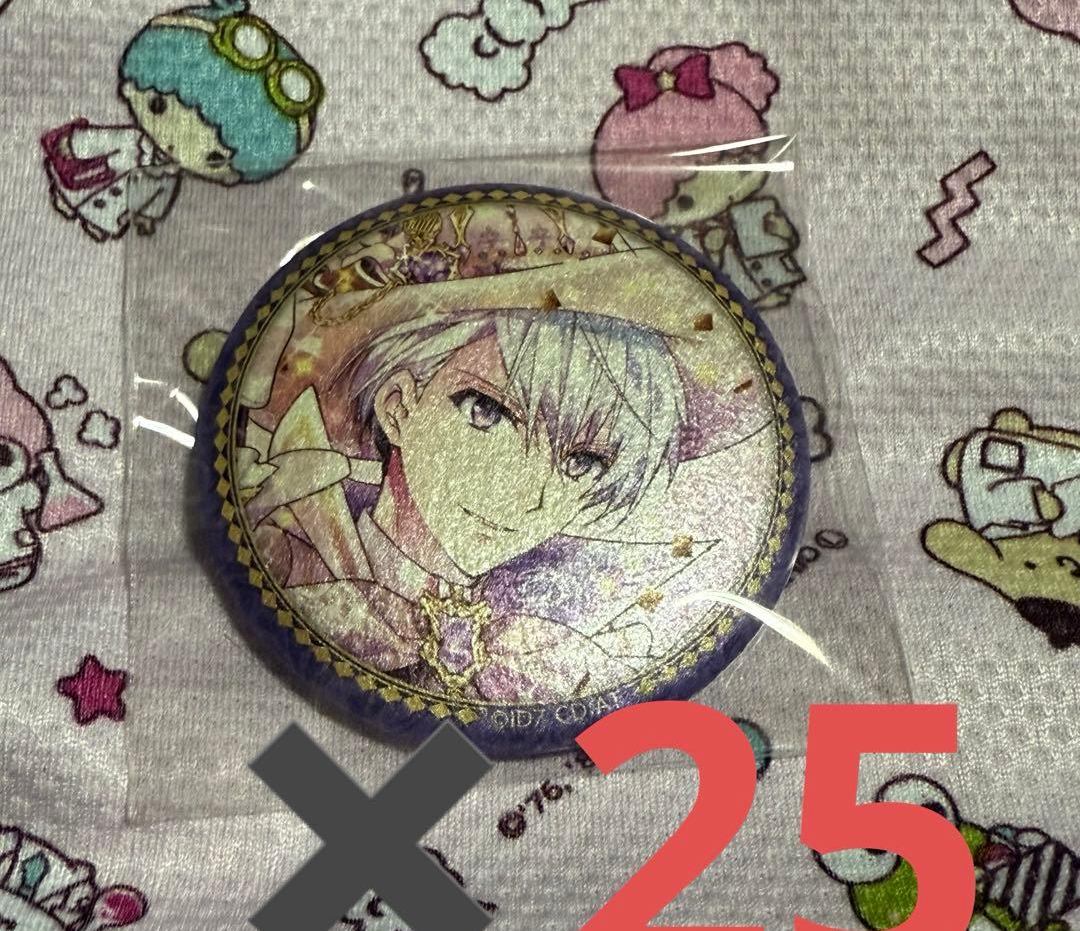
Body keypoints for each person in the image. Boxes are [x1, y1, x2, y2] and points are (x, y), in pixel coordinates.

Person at [240, 305, 689, 703]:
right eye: (486, 412)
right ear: (398, 407)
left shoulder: (547, 657)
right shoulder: (287, 562)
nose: (527, 497)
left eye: (581, 461)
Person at [42, 0, 323, 241]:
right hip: (96, 177)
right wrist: (75, 145)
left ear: (230, 176)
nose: (175, 144)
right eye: (158, 106)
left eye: (214, 156)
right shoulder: (133, 142)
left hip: (120, 199)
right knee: (77, 194)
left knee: (108, 212)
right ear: (131, 87)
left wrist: (148, 216)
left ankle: (99, 223)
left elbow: (159, 196)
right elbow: (99, 141)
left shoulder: (166, 173)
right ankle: (68, 204)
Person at [592, 43, 804, 308]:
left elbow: (785, 240)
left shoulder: (754, 212)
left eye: (742, 168)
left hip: (761, 285)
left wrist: (780, 231)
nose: (725, 195)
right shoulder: (675, 237)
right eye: (685, 201)